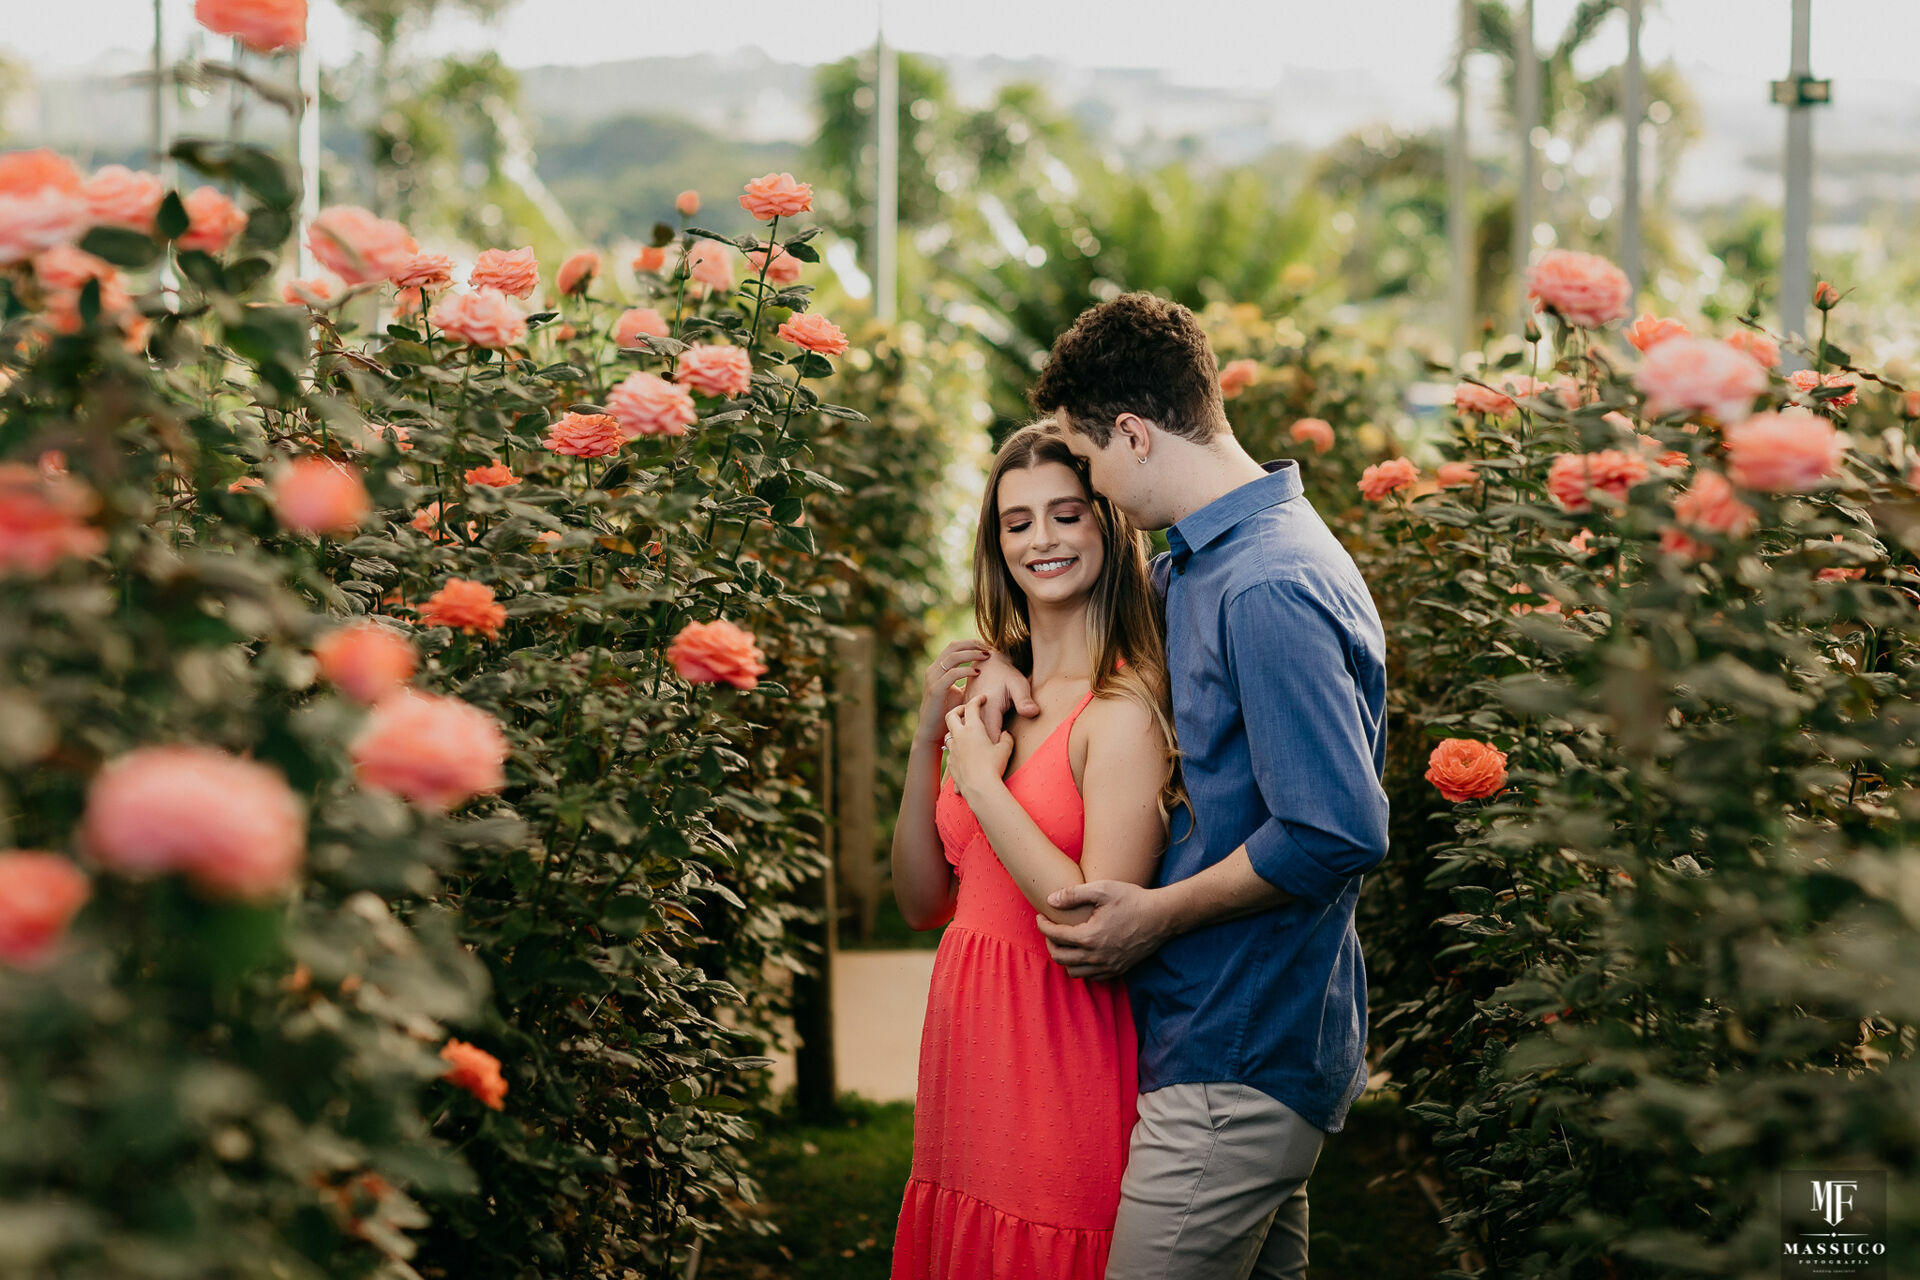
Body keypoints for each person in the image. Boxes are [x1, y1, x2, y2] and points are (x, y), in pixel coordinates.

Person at [967, 293, 1390, 1280]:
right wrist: (1000, 662)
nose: (1098, 486)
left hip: (1240, 1048)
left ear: (1133, 432)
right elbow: (1084, 634)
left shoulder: (1267, 584)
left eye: (1093, 459)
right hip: (1221, 1041)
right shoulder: (1203, 562)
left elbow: (1336, 829)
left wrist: (1153, 913)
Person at [889, 423, 1180, 1280]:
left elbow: (1092, 924)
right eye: (1018, 523)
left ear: (1107, 525)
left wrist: (981, 783)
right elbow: (921, 902)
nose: (1043, 540)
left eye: (1066, 514)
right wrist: (924, 742)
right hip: (967, 1046)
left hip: (1059, 1052)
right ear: (996, 544)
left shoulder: (1123, 709)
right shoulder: (996, 697)